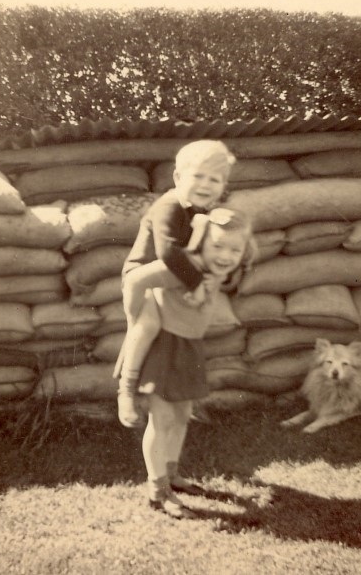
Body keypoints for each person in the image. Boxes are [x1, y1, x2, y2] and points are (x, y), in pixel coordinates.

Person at [126, 207, 255, 518]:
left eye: (235, 249)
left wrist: (213, 282)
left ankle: (171, 475)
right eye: (217, 246)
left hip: (189, 348)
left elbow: (229, 268)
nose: (226, 255)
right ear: (199, 244)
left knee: (183, 414)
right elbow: (135, 279)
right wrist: (135, 318)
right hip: (162, 348)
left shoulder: (220, 270)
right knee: (162, 420)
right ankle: (157, 491)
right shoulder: (182, 270)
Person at [114, 140, 236, 428]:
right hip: (143, 275)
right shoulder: (168, 206)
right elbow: (168, 252)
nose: (206, 185)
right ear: (179, 177)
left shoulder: (201, 210)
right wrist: (198, 284)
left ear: (223, 185)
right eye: (198, 176)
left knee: (181, 333)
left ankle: (179, 397)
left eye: (214, 179)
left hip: (172, 277)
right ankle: (126, 391)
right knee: (146, 326)